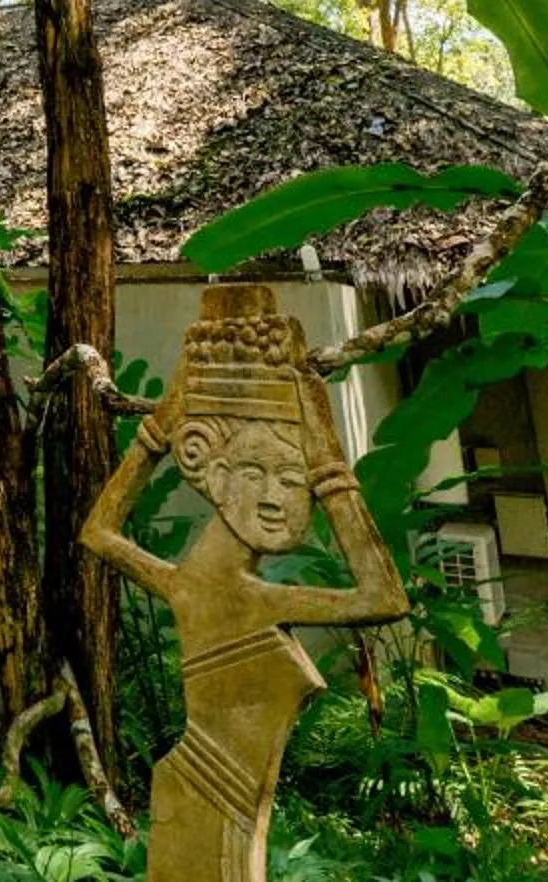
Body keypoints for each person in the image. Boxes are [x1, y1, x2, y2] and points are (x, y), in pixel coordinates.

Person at [81, 284, 407, 882]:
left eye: (292, 477)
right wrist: (320, 452)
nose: (275, 496)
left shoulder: (201, 587)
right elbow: (380, 595)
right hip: (199, 798)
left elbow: (101, 532)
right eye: (255, 472)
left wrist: (170, 419)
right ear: (215, 470)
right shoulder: (224, 592)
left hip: (208, 798)